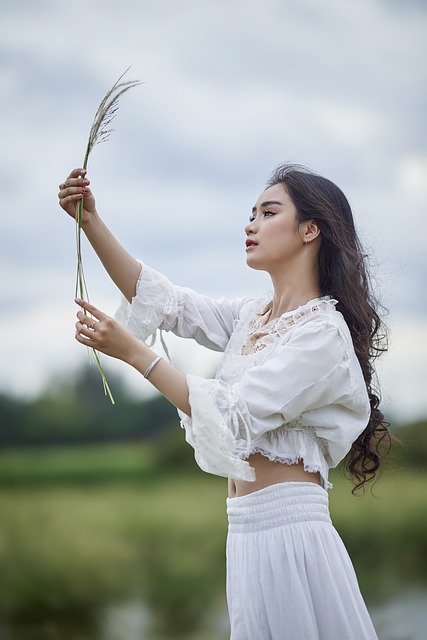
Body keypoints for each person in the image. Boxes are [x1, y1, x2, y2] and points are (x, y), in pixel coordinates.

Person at [58, 164, 389, 639]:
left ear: (310, 229)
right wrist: (89, 220)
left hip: (291, 533)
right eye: (250, 212)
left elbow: (232, 415)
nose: (250, 224)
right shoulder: (252, 315)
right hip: (245, 533)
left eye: (268, 212)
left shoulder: (322, 335)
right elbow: (166, 302)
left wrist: (135, 354)